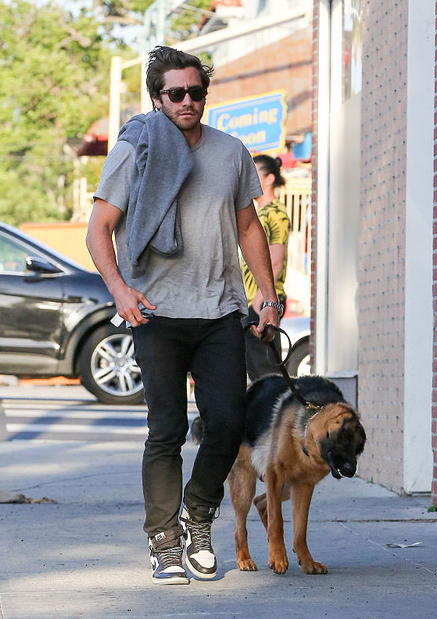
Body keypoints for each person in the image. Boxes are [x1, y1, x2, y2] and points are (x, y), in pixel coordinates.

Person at [86, 46, 283, 586]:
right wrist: (120, 291)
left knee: (225, 424)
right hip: (157, 313)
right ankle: (164, 542)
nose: (188, 101)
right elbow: (98, 229)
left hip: (220, 311)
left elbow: (249, 229)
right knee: (167, 430)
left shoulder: (230, 152)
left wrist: (266, 297)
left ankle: (198, 518)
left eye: (197, 92)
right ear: (157, 98)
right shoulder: (136, 151)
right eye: (177, 93)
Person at [240, 155, 291, 381]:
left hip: (262, 302)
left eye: (255, 175)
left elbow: (276, 260)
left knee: (267, 373)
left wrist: (262, 300)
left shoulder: (276, 213)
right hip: (251, 300)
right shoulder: (257, 212)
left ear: (269, 179)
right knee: (254, 370)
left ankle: (276, 416)